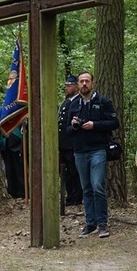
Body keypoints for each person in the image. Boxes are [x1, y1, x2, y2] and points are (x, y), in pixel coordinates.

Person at [67, 71, 120, 238]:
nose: (84, 84)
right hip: (79, 151)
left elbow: (114, 123)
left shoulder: (103, 102)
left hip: (98, 149)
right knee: (86, 188)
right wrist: (74, 126)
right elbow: (67, 130)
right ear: (78, 84)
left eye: (87, 81)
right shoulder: (74, 105)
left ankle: (102, 223)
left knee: (97, 186)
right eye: (81, 81)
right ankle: (90, 222)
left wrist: (94, 125)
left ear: (92, 83)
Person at [58, 75, 82, 207]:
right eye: (66, 85)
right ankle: (70, 196)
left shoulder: (79, 101)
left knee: (74, 172)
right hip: (63, 144)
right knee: (65, 172)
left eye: (69, 85)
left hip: (72, 144)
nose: (66, 87)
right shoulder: (66, 102)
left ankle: (77, 197)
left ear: (76, 86)